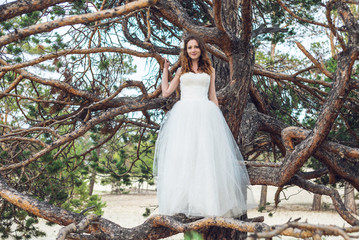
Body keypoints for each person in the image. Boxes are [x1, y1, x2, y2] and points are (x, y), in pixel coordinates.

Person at [154, 35, 254, 218]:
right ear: (186, 50)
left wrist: (217, 121)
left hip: (205, 114)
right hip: (184, 115)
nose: (193, 50)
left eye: (196, 47)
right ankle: (183, 202)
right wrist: (165, 71)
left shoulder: (210, 70)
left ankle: (208, 204)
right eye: (189, 47)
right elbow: (166, 92)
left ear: (201, 49)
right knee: (184, 157)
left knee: (205, 157)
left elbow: (213, 96)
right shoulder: (181, 71)